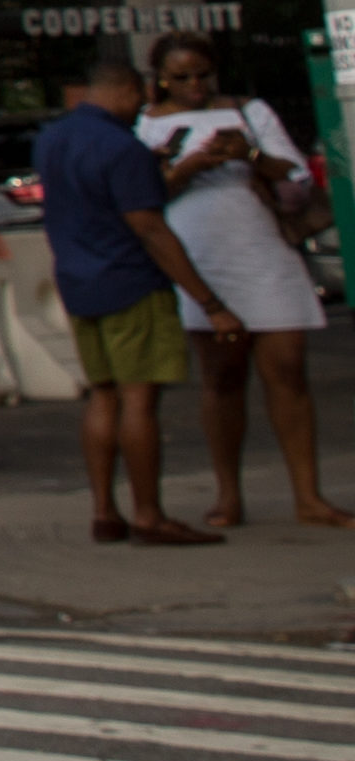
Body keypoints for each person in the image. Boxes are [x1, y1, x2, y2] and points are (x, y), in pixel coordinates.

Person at [135, 31, 346, 531]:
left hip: (262, 250)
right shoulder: (143, 125)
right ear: (161, 79)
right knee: (223, 377)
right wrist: (187, 168)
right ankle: (229, 495)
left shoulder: (249, 112)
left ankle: (309, 496)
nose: (193, 86)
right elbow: (141, 198)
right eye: (180, 77)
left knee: (289, 370)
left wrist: (246, 155)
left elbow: (294, 174)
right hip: (200, 256)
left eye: (202, 75)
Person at [37, 50, 231, 547]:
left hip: (78, 281)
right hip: (130, 280)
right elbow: (148, 226)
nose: (140, 111)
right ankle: (149, 514)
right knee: (139, 399)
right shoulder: (124, 149)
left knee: (102, 395)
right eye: (139, 101)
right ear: (125, 91)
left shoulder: (52, 139)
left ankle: (105, 511)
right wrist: (209, 301)